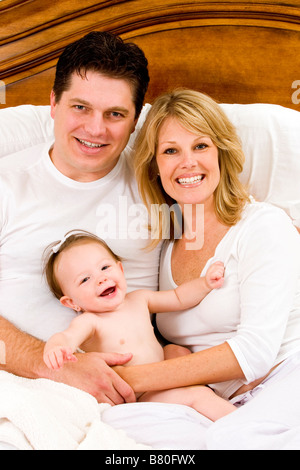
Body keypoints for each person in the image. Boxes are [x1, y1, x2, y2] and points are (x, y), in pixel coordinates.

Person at [109, 88, 300, 448]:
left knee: (236, 440)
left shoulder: (264, 226)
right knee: (115, 428)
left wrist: (134, 379)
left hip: (286, 376)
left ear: (221, 154)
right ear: (155, 166)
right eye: (170, 151)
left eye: (201, 146)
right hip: (218, 402)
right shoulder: (164, 251)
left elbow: (254, 352)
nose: (188, 163)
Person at [0, 30, 159, 406]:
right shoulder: (7, 185)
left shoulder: (161, 188)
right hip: (19, 385)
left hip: (139, 391)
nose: (95, 129)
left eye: (115, 114)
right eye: (80, 107)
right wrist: (52, 365)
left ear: (136, 120)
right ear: (53, 103)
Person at [42, 230, 235, 421]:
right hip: (142, 395)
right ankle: (240, 423)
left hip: (164, 374)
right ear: (71, 303)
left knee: (177, 351)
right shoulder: (90, 322)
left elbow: (178, 297)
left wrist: (205, 284)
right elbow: (68, 336)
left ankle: (203, 398)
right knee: (197, 395)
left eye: (105, 268)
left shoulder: (139, 299)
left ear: (121, 269)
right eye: (85, 279)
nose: (101, 278)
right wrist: (57, 347)